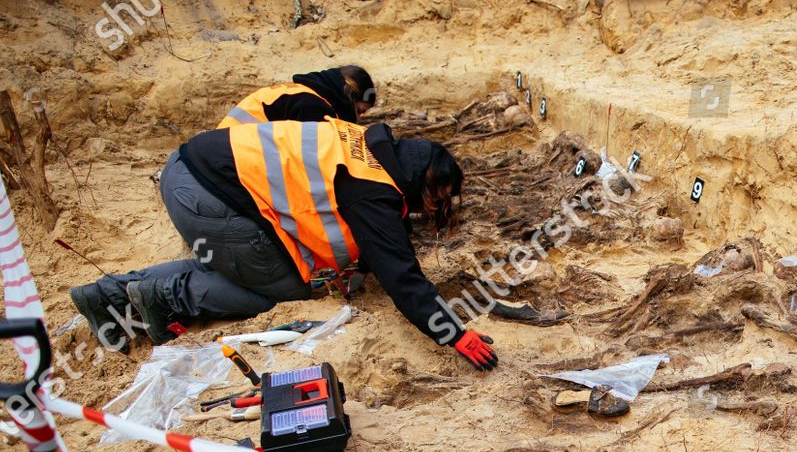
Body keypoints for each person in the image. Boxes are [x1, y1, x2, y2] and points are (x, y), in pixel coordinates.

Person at [68, 118, 498, 371]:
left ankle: (107, 293)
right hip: (211, 196)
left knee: (248, 265)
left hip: (188, 174)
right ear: (425, 180)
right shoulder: (373, 190)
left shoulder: (366, 147)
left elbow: (382, 241)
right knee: (287, 285)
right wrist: (451, 334)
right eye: (436, 197)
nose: (433, 208)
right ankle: (168, 295)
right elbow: (401, 273)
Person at [219, 66, 377, 127]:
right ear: (348, 98)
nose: (357, 120)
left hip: (225, 148)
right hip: (233, 157)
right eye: (358, 111)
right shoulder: (312, 108)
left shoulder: (302, 93)